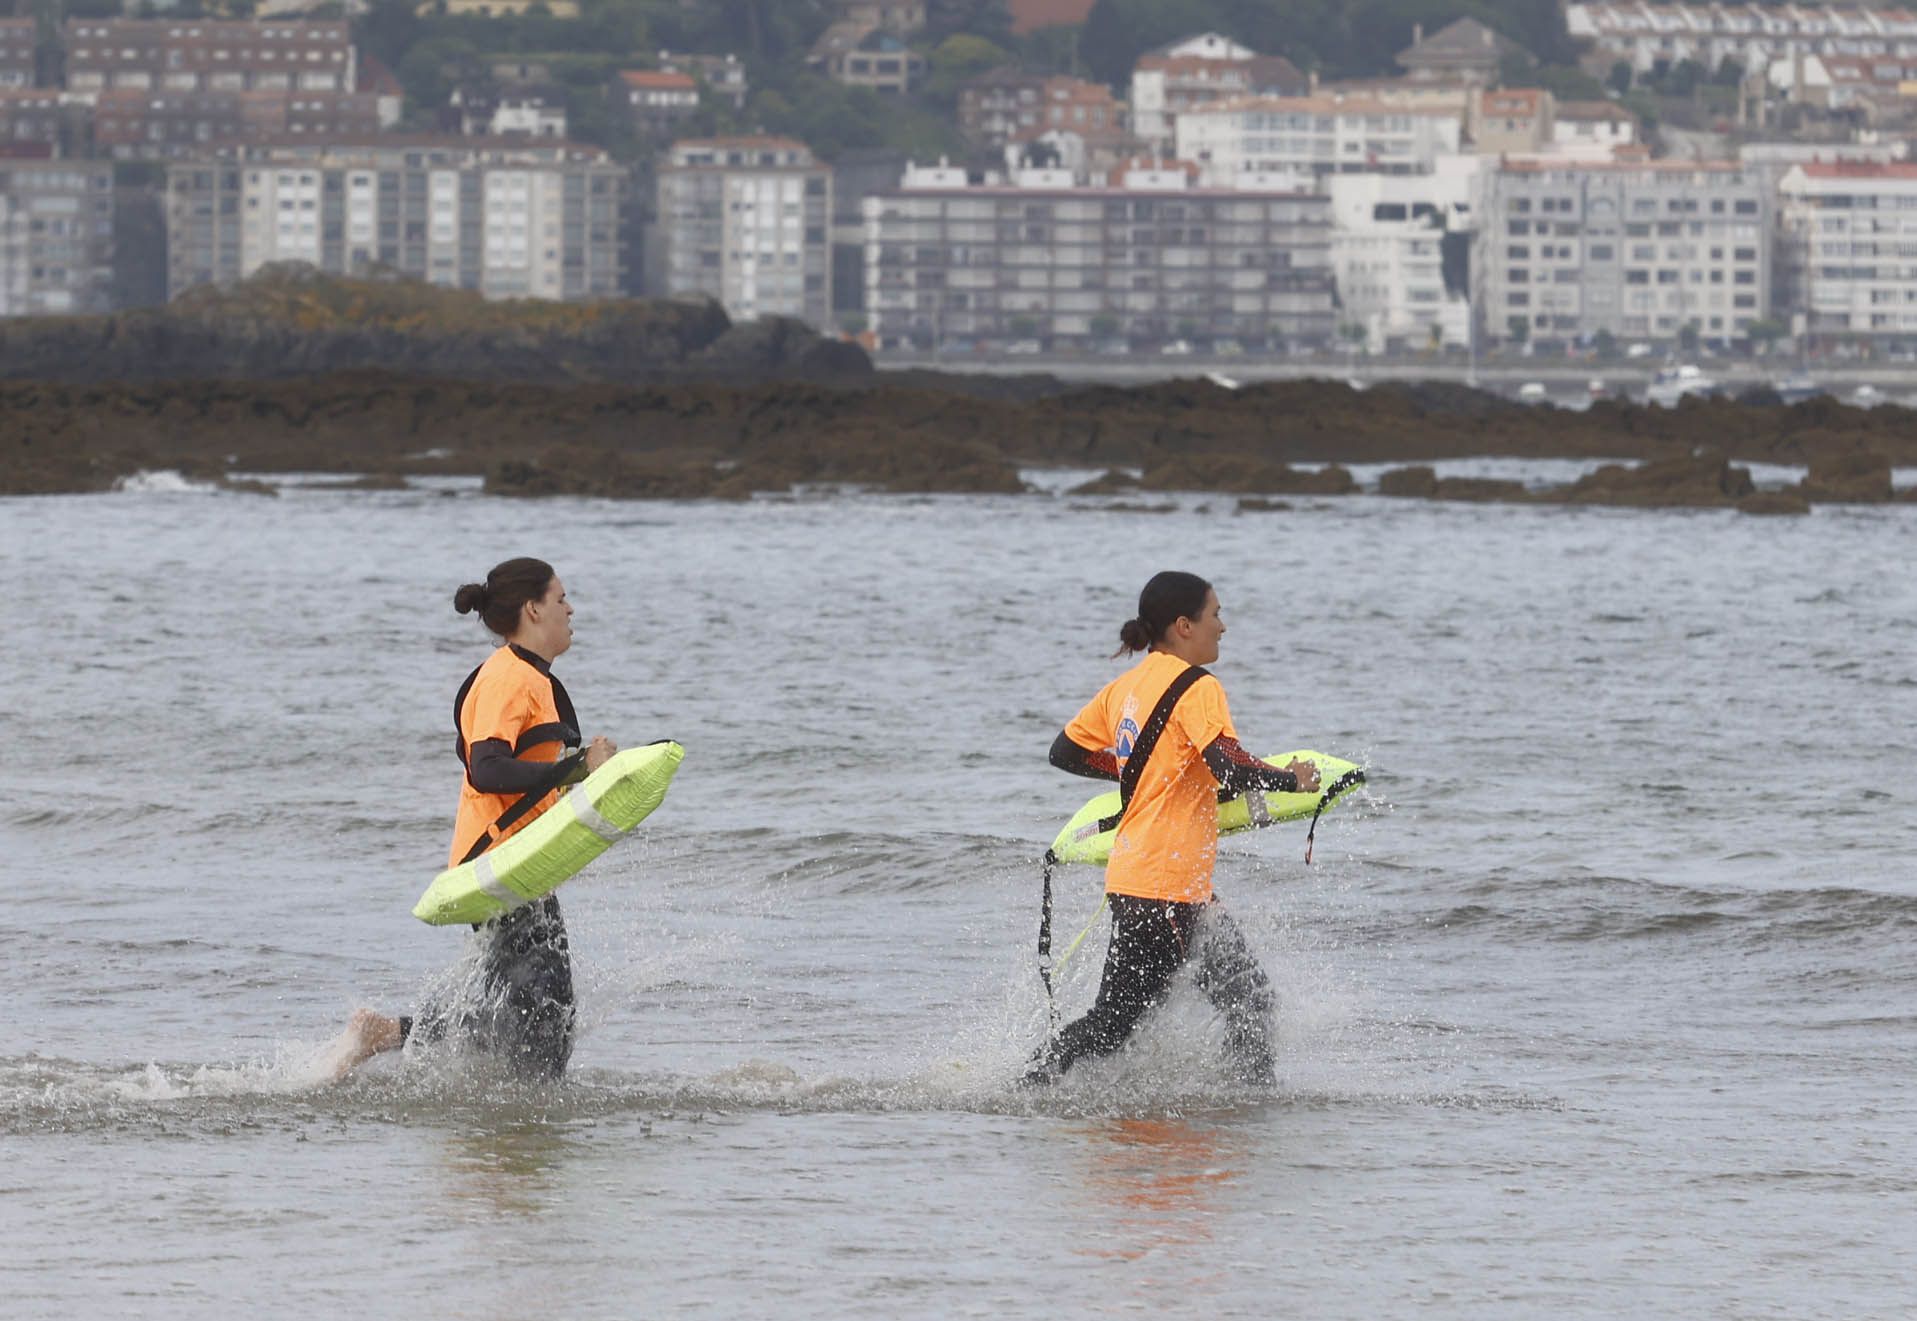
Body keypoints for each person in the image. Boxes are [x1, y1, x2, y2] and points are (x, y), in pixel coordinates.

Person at [1025, 570, 1319, 1088]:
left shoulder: (1125, 688)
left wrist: (1144, 771)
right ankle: (1029, 1087)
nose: (1223, 627)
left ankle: (1053, 1087)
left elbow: (1064, 751)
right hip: (1165, 891)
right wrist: (1291, 780)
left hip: (1152, 884)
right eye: (1216, 615)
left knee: (1238, 1004)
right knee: (1126, 1023)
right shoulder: (1200, 688)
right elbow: (1230, 767)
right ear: (1184, 625)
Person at [335, 558, 617, 1080]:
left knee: (526, 1012)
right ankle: (520, 1134)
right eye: (560, 599)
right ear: (533, 609)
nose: (570, 609)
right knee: (547, 1021)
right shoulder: (509, 677)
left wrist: (578, 772)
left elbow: (519, 775)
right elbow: (488, 769)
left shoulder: (524, 676)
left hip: (515, 863)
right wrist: (571, 769)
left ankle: (390, 1035)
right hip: (502, 866)